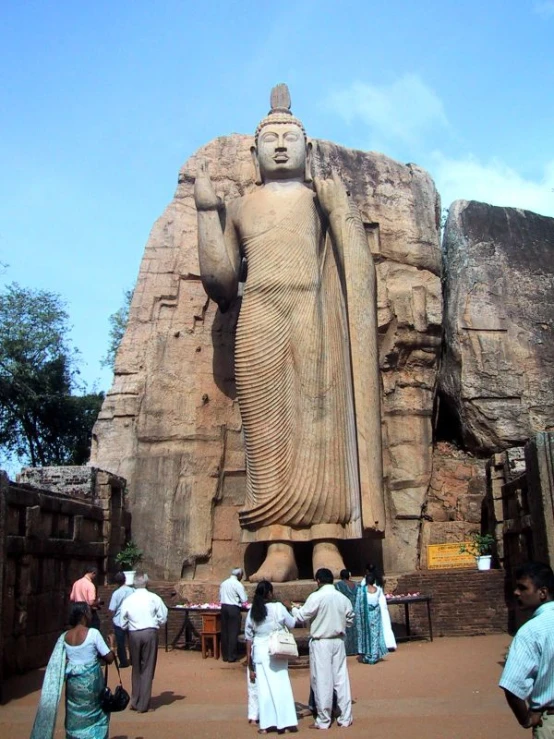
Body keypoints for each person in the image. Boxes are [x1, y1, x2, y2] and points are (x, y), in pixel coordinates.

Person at [195, 83, 384, 583]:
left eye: (290, 137)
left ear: (308, 148)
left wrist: (338, 208)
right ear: (254, 152)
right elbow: (221, 281)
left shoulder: (319, 198)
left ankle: (327, 539)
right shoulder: (242, 206)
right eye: (271, 138)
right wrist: (205, 215)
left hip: (313, 313)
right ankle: (277, 544)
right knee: (265, 432)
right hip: (259, 313)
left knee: (322, 425)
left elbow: (353, 264)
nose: (280, 144)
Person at [30, 602, 115, 739]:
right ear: (83, 615)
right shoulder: (93, 633)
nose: (90, 615)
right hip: (91, 683)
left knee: (74, 713)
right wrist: (112, 646)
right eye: (88, 612)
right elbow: (109, 658)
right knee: (96, 715)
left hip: (73, 683)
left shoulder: (65, 637)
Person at [292, 568, 354, 729]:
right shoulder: (342, 598)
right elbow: (350, 618)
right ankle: (345, 717)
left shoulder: (316, 596)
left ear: (318, 581)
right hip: (338, 640)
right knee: (341, 679)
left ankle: (324, 719)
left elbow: (301, 616)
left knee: (322, 680)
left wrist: (292, 608)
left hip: (322, 642)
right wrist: (339, 624)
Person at [499, 562, 554, 735]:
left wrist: (526, 720)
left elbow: (511, 686)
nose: (516, 593)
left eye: (523, 588)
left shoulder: (530, 632)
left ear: (542, 592)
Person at [245, 580, 298, 734]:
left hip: (260, 651)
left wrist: (249, 662)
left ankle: (267, 725)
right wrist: (291, 608)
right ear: (269, 593)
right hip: (276, 649)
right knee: (282, 686)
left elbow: (249, 637)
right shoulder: (278, 608)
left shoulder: (253, 611)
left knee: (264, 689)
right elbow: (293, 624)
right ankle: (287, 723)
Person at [120, 572, 168, 713]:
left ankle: (135, 700)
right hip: (149, 632)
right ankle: (143, 704)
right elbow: (163, 616)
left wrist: (129, 626)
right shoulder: (153, 598)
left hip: (134, 634)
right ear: (146, 583)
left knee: (136, 667)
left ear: (134, 583)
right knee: (147, 667)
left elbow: (122, 622)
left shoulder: (128, 600)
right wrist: (155, 622)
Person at [355, 568, 391, 664]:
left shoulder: (362, 590)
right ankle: (374, 655)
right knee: (375, 635)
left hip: (366, 616)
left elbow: (358, 604)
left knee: (368, 634)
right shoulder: (378, 590)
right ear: (374, 581)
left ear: (365, 581)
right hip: (375, 615)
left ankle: (369, 654)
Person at [361, 564, 396, 651]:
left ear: (367, 571)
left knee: (374, 626)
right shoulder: (379, 579)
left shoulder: (366, 580)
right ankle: (389, 643)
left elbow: (362, 590)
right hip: (381, 602)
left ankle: (377, 645)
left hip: (373, 603)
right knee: (385, 623)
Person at [219, 567, 248, 662]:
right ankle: (232, 656)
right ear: (239, 575)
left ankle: (225, 655)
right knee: (233, 632)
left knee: (225, 631)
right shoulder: (238, 584)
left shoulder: (223, 583)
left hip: (224, 608)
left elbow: (220, 597)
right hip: (233, 608)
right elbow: (244, 599)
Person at [108, 571, 134, 667]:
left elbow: (112, 609)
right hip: (131, 619)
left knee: (120, 642)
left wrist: (111, 620)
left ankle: (123, 661)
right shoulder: (132, 591)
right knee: (132, 641)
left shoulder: (116, 593)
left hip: (119, 620)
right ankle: (133, 659)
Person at [335, 570, 359, 656]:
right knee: (356, 629)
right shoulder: (356, 585)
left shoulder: (338, 586)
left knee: (346, 629)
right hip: (356, 609)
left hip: (344, 609)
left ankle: (348, 650)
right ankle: (357, 648)